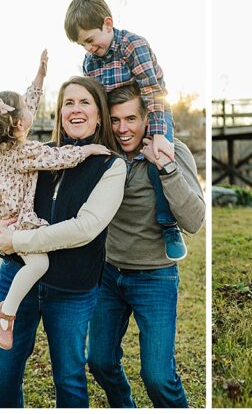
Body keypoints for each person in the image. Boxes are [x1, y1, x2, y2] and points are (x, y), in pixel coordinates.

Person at [0, 76, 126, 407]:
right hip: (18, 278)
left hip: (72, 289)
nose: (75, 110)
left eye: (84, 103)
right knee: (4, 377)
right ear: (59, 111)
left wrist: (18, 238)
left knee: (69, 379)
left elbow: (84, 228)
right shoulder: (38, 154)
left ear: (99, 113)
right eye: (68, 103)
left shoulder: (109, 163)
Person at [0, 50, 111, 352]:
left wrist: (40, 76)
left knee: (26, 257)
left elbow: (26, 103)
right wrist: (87, 151)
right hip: (14, 215)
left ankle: (11, 280)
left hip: (0, 210)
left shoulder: (6, 144)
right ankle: (5, 313)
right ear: (20, 125)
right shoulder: (25, 153)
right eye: (25, 108)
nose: (30, 105)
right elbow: (57, 156)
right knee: (39, 262)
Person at [87, 85, 204, 408]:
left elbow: (194, 221)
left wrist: (165, 168)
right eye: (114, 120)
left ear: (147, 118)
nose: (123, 129)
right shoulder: (103, 155)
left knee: (158, 377)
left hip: (155, 277)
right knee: (98, 361)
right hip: (108, 275)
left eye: (131, 119)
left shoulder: (173, 151)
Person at [64, 0, 187, 261]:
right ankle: (87, 217)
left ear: (108, 24)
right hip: (114, 118)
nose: (88, 49)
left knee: (157, 155)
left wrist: (157, 134)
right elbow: (95, 102)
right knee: (93, 156)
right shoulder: (90, 62)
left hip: (151, 109)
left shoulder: (133, 46)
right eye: (81, 44)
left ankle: (168, 225)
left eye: (90, 40)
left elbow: (153, 92)